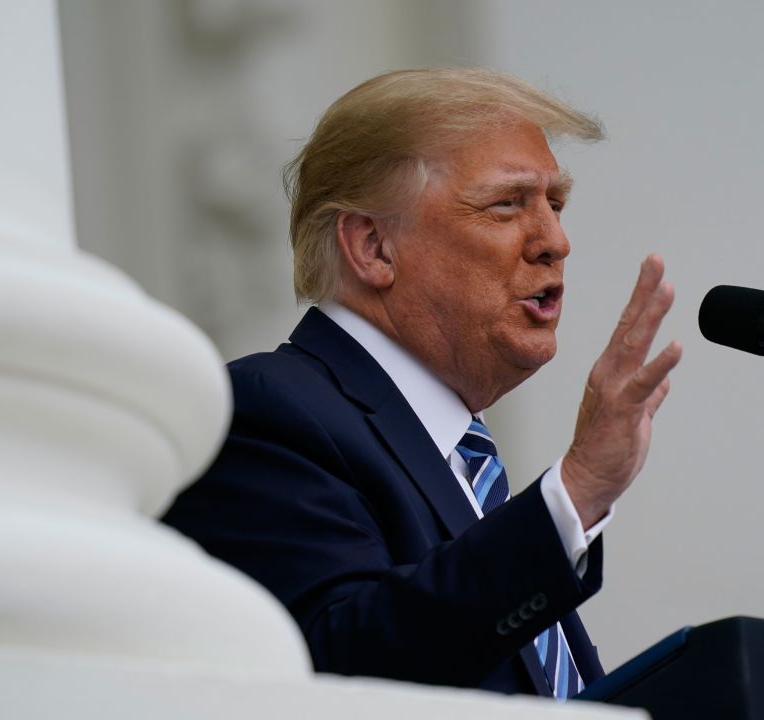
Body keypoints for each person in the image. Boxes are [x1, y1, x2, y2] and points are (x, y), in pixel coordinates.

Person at [162, 67, 681, 697]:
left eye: (556, 203)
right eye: (507, 204)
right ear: (374, 246)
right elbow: (344, 671)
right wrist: (576, 492)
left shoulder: (460, 457)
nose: (555, 240)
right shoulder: (268, 413)